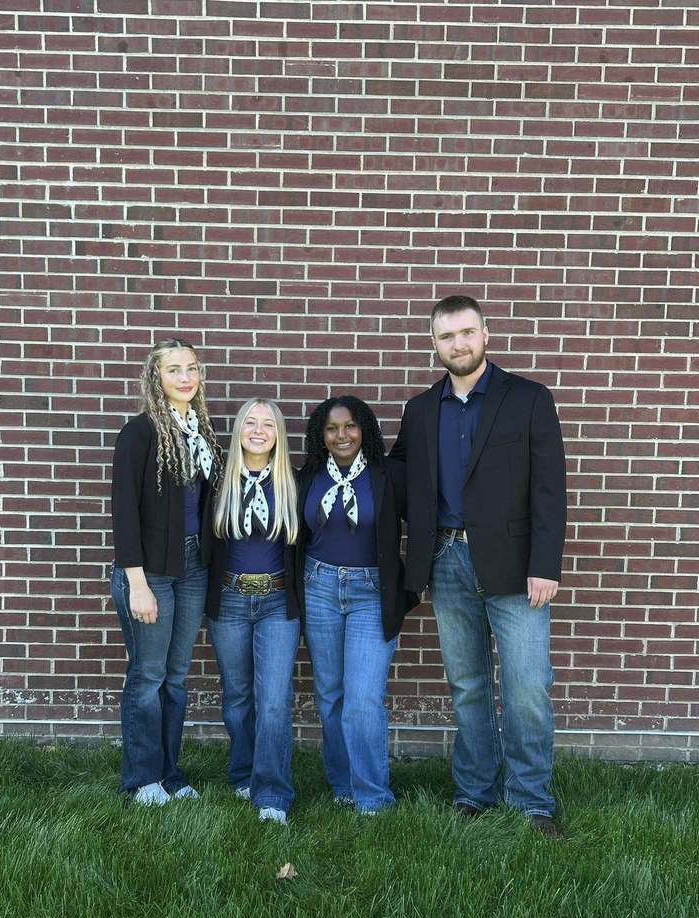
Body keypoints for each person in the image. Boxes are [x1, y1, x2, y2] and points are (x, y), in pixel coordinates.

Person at [391, 295, 567, 836]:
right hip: (446, 560)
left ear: (486, 335)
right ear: (434, 345)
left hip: (515, 567)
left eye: (468, 332)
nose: (459, 344)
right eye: (447, 336)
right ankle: (475, 791)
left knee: (527, 686)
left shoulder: (529, 399)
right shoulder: (422, 410)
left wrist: (545, 564)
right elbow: (398, 476)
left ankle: (533, 801)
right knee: (467, 684)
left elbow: (549, 488)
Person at [110, 339, 221, 805]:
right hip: (150, 572)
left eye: (191, 368)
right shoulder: (139, 433)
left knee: (176, 677)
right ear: (155, 378)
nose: (184, 377)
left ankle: (169, 774)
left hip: (192, 566)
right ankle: (142, 779)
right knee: (148, 676)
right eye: (174, 370)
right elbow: (124, 511)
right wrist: (136, 583)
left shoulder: (203, 433)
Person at [297, 396, 418, 815]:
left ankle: (373, 798)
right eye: (332, 428)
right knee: (330, 694)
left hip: (371, 592)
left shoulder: (389, 475)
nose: (342, 435)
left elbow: (422, 521)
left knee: (363, 698)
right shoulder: (308, 475)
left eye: (350, 426)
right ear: (321, 435)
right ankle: (343, 784)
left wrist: (413, 584)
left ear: (364, 429)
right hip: (319, 587)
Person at [207, 399, 300, 826]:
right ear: (238, 430)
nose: (258, 430)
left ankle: (273, 793)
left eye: (268, 424)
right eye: (250, 422)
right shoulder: (216, 483)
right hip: (228, 601)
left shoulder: (293, 484)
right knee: (238, 697)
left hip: (278, 603)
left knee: (275, 700)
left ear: (279, 434)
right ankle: (243, 771)